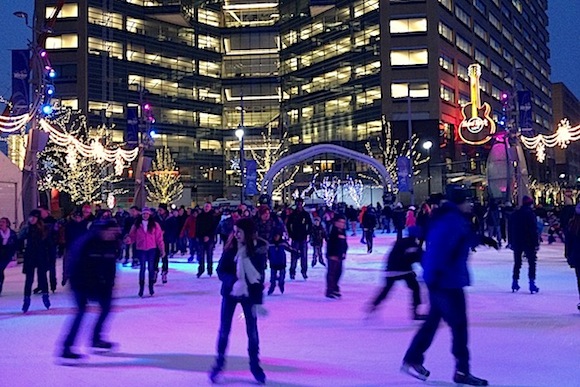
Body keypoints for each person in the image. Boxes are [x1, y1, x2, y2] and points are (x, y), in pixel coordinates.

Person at [401, 187, 493, 386]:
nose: (470, 204)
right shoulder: (451, 221)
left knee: (433, 322)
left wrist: (481, 239)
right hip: (445, 282)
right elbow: (439, 249)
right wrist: (434, 276)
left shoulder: (454, 218)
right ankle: (461, 371)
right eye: (467, 201)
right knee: (459, 326)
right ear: (459, 202)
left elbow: (460, 239)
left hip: (445, 280)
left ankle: (413, 358)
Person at [209, 217, 268, 384]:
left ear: (248, 233)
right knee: (224, 330)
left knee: (252, 332)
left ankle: (255, 367)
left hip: (249, 295)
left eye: (239, 232)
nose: (236, 235)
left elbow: (258, 276)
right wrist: (234, 282)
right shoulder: (231, 247)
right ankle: (218, 365)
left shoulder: (258, 250)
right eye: (234, 231)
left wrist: (258, 301)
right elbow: (220, 270)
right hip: (230, 294)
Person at [58, 219, 122, 363]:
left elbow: (110, 265)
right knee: (81, 311)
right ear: (103, 231)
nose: (113, 235)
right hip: (79, 281)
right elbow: (74, 263)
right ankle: (66, 348)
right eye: (111, 232)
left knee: (107, 307)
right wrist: (82, 283)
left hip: (99, 283)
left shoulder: (111, 243)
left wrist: (109, 284)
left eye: (115, 232)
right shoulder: (86, 242)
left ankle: (96, 339)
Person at [367, 226, 426, 320]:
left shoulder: (400, 241)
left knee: (386, 289)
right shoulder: (413, 245)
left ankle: (373, 305)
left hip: (391, 269)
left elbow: (392, 256)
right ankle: (415, 312)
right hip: (403, 270)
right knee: (415, 288)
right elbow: (422, 259)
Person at [125, 207, 165, 297]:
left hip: (151, 249)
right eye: (144, 214)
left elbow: (159, 238)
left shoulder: (155, 225)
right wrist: (128, 240)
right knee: (142, 268)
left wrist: (162, 249)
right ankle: (141, 288)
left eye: (147, 214)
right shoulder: (137, 225)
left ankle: (151, 287)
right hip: (141, 249)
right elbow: (132, 236)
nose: (145, 215)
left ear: (149, 215)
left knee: (151, 268)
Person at [18, 210, 51, 312]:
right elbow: (19, 239)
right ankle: (26, 299)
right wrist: (22, 250)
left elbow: (48, 243)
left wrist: (49, 256)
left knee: (42, 278)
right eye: (30, 217)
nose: (32, 219)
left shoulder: (44, 229)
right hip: (30, 256)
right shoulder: (26, 229)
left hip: (41, 256)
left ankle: (45, 296)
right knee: (29, 279)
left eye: (34, 218)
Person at [508, 195, 540, 293]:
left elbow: (510, 228)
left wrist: (510, 241)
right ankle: (531, 283)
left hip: (517, 241)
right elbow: (533, 230)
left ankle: (515, 281)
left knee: (517, 262)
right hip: (529, 242)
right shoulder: (530, 214)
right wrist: (536, 243)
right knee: (531, 262)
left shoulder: (515, 214)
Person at [287, 198, 312, 280]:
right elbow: (288, 225)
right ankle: (292, 272)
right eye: (298, 204)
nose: (299, 206)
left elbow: (310, 224)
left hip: (303, 237)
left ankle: (304, 271)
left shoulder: (305, 214)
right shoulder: (293, 214)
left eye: (300, 204)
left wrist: (308, 233)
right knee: (294, 256)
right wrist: (291, 234)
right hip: (295, 237)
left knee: (304, 256)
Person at [325, 214, 348, 299]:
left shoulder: (342, 231)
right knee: (332, 273)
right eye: (340, 222)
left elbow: (344, 244)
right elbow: (330, 245)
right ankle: (330, 290)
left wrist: (344, 252)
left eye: (343, 222)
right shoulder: (333, 231)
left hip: (340, 255)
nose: (342, 224)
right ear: (336, 222)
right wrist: (331, 255)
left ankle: (335, 287)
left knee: (339, 272)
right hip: (333, 255)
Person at [564, 203, 580, 312]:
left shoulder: (573, 224)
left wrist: (568, 255)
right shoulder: (573, 224)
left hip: (577, 256)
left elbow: (568, 241)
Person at [196, 202, 218, 278]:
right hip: (201, 238)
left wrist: (208, 236)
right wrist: (200, 236)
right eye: (205, 206)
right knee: (201, 255)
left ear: (210, 207)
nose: (206, 208)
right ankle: (200, 270)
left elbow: (214, 228)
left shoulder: (213, 216)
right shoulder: (200, 216)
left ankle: (210, 270)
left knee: (209, 255)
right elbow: (197, 227)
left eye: (208, 206)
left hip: (210, 238)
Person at [0, 217, 18, 295]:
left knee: (0, 269)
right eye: (0, 222)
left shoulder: (12, 233)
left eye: (3, 222)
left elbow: (16, 244)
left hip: (7, 254)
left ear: (7, 224)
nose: (1, 223)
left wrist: (13, 252)